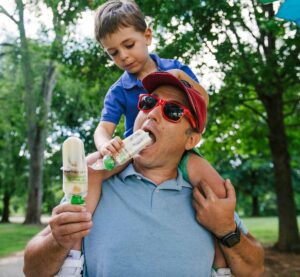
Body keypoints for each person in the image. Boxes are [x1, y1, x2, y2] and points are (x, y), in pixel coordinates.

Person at [23, 72, 264, 277]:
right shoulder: (95, 182)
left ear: (191, 139)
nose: (152, 114)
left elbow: (254, 269)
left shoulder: (208, 198)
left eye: (171, 110)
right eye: (149, 102)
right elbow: (31, 269)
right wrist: (58, 240)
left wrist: (227, 230)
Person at [88, 0, 228, 273]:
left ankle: (221, 265)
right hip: (133, 152)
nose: (123, 57)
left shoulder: (173, 68)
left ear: (147, 36)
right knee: (89, 170)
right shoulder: (119, 89)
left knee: (218, 189)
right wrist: (107, 146)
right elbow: (103, 128)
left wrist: (180, 78)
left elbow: (203, 99)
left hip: (179, 151)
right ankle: (75, 246)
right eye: (113, 53)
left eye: (129, 45)